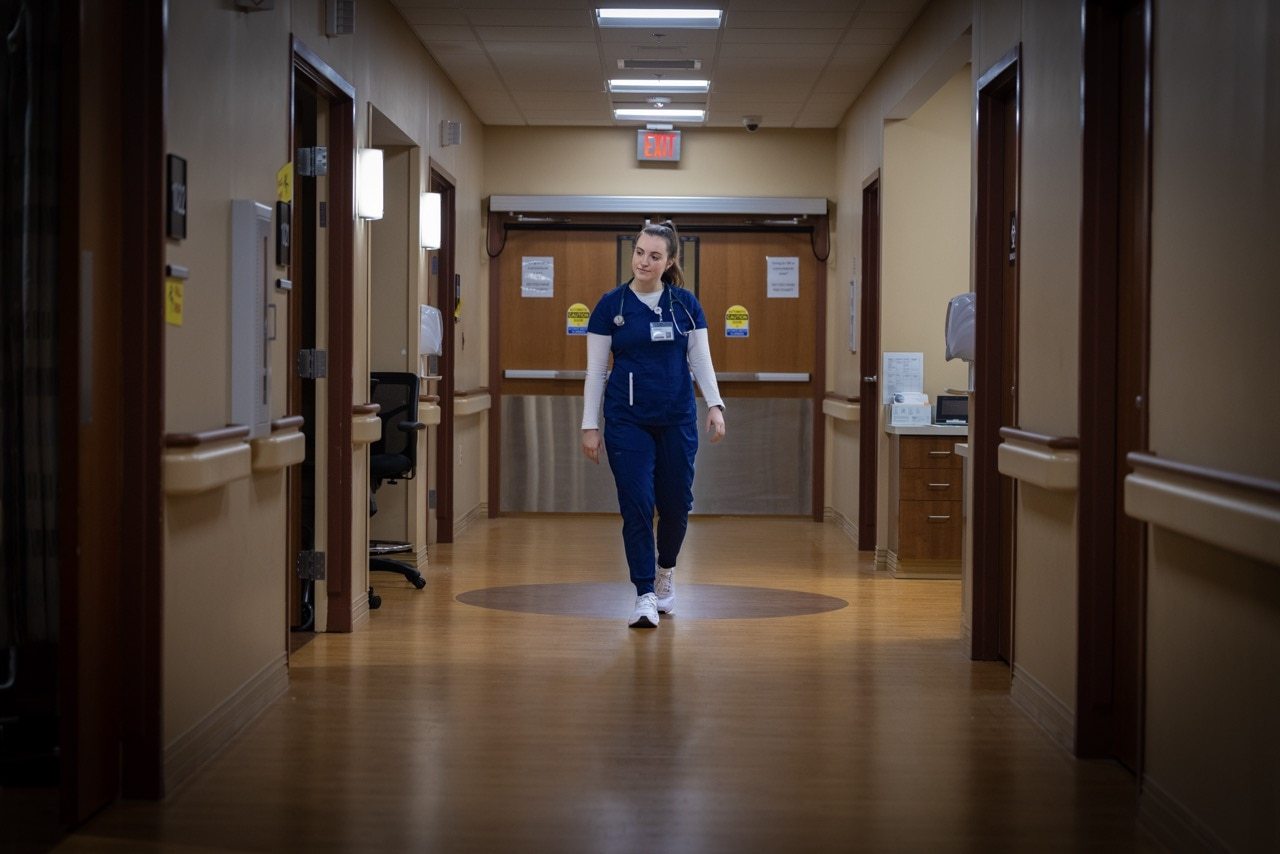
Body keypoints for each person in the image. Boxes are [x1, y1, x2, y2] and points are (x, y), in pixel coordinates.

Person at [580, 221, 726, 628]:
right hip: (627, 421)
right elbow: (595, 372)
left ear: (670, 261)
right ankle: (644, 592)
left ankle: (666, 573)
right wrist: (589, 426)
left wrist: (714, 404)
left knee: (677, 505)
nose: (644, 261)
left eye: (654, 255)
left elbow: (700, 359)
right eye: (640, 252)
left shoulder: (684, 305)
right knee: (638, 505)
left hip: (677, 418)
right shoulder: (612, 306)